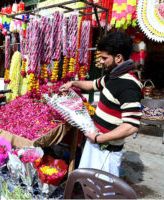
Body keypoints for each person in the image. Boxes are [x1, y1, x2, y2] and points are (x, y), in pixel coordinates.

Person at [60, 32, 143, 177]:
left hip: (107, 151)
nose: (101, 62)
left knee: (102, 191)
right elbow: (92, 85)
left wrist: (99, 138)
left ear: (118, 58)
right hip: (96, 142)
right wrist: (73, 83)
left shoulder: (129, 85)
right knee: (89, 183)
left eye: (105, 58)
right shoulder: (112, 76)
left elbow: (131, 126)